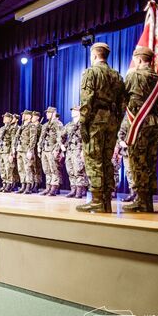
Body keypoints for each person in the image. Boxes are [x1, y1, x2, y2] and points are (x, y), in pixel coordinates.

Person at [76, 42, 126, 213]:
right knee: (106, 160)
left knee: (93, 159)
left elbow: (86, 100)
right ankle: (106, 200)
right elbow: (122, 104)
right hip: (111, 120)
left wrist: (83, 123)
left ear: (95, 55)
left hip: (96, 120)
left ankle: (97, 199)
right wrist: (116, 121)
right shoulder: (117, 76)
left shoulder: (91, 72)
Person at [123, 47, 158, 212]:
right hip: (153, 123)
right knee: (150, 161)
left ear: (139, 60)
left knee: (137, 162)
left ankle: (141, 200)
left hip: (138, 124)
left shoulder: (133, 75)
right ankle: (147, 200)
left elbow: (122, 97)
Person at [61, 106, 89, 198]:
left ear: (79, 112)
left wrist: (83, 151)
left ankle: (79, 191)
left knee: (79, 170)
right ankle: (73, 190)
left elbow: (86, 139)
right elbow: (61, 135)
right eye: (72, 110)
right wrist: (62, 145)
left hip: (78, 149)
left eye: (75, 110)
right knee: (70, 170)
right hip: (69, 150)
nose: (72, 112)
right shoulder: (69, 125)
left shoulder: (83, 124)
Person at [37, 107, 63, 196]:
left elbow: (60, 138)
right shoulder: (45, 125)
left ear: (54, 113)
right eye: (47, 112)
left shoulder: (58, 124)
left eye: (49, 112)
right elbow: (41, 137)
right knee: (46, 169)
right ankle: (47, 187)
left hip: (52, 150)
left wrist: (57, 149)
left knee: (54, 169)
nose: (47, 114)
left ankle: (54, 188)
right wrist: (39, 147)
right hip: (45, 149)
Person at [116, 116, 136, 202]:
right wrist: (121, 141)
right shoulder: (127, 117)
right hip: (127, 150)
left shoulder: (145, 115)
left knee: (140, 173)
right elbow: (121, 131)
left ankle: (141, 195)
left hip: (140, 149)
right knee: (129, 172)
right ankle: (133, 193)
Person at [0, 112, 16, 192]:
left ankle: (9, 184)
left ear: (10, 119)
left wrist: (11, 153)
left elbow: (13, 141)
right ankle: (4, 183)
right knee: (3, 168)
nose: (4, 118)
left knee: (9, 168)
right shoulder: (2, 128)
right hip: (1, 151)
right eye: (4, 117)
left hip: (8, 151)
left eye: (6, 117)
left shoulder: (12, 128)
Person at [14, 110, 32, 193]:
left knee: (27, 168)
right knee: (21, 169)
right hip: (19, 149)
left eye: (24, 114)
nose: (23, 116)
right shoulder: (21, 126)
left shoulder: (31, 126)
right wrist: (14, 148)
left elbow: (33, 139)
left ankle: (28, 186)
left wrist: (30, 150)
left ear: (29, 116)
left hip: (26, 150)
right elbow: (16, 137)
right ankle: (23, 185)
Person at [26, 111, 42, 194]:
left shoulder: (40, 126)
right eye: (32, 116)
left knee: (37, 167)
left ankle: (36, 184)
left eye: (34, 116)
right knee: (31, 167)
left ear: (37, 117)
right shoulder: (30, 126)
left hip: (36, 149)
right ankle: (32, 184)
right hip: (32, 148)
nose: (32, 117)